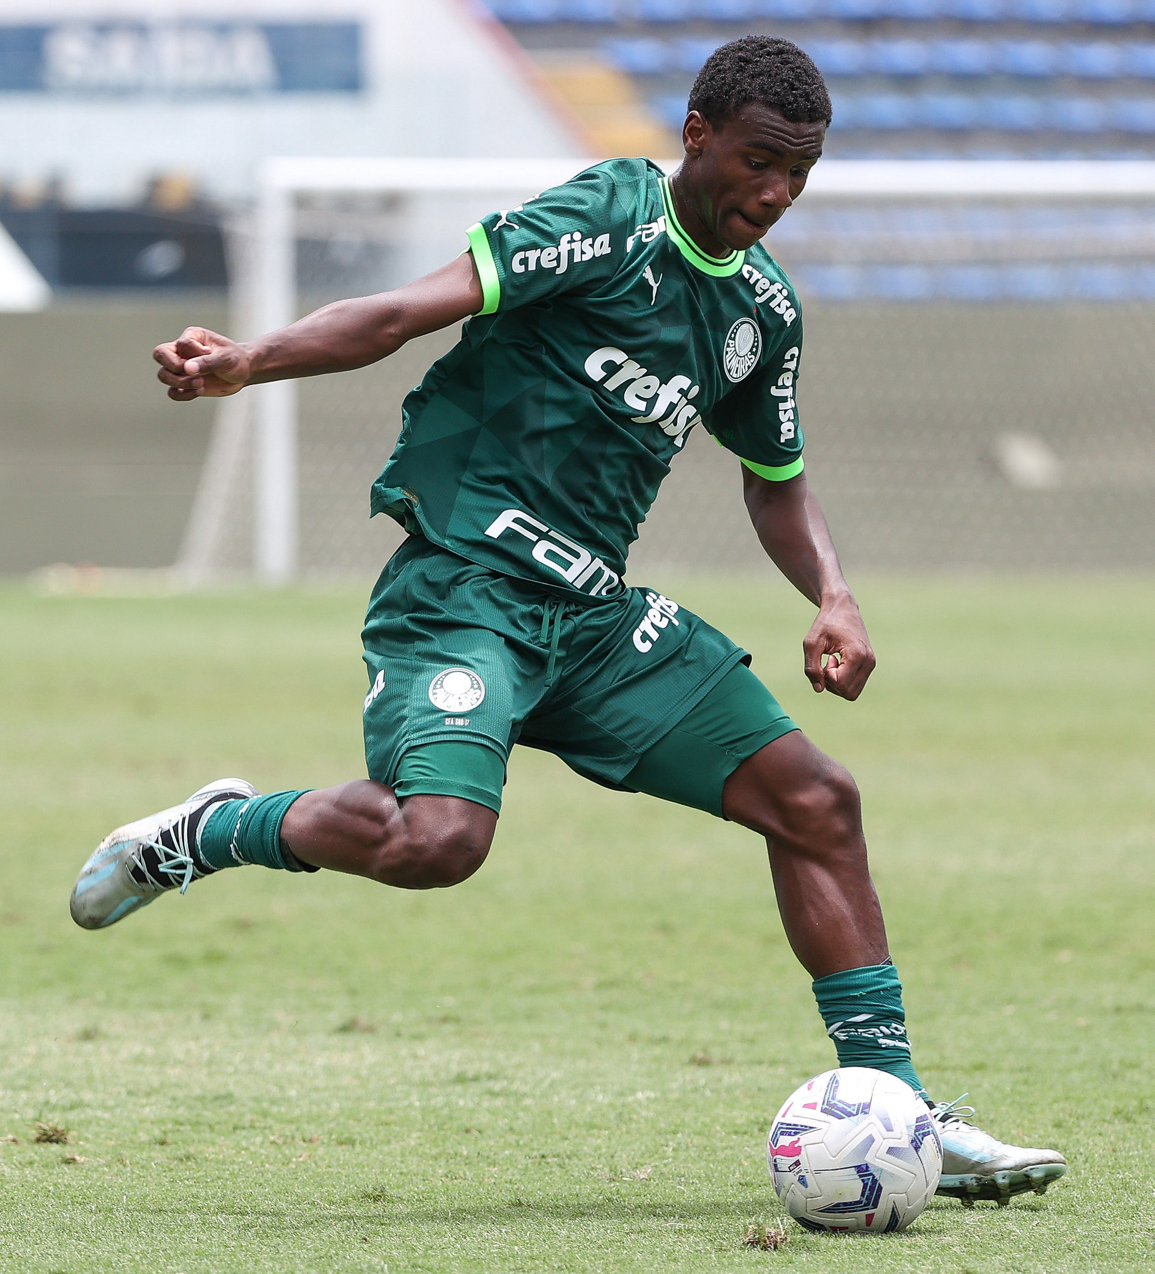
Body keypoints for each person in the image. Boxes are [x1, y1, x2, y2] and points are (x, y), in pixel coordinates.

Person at [70, 36, 1064, 1209]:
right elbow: (406, 310)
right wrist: (253, 359)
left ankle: (900, 1109)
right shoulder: (606, 217)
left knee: (816, 799)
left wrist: (833, 595)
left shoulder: (761, 313)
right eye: (758, 161)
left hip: (592, 617)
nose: (776, 193)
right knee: (439, 841)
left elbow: (776, 480)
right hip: (464, 588)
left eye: (800, 174)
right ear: (696, 133)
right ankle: (214, 828)